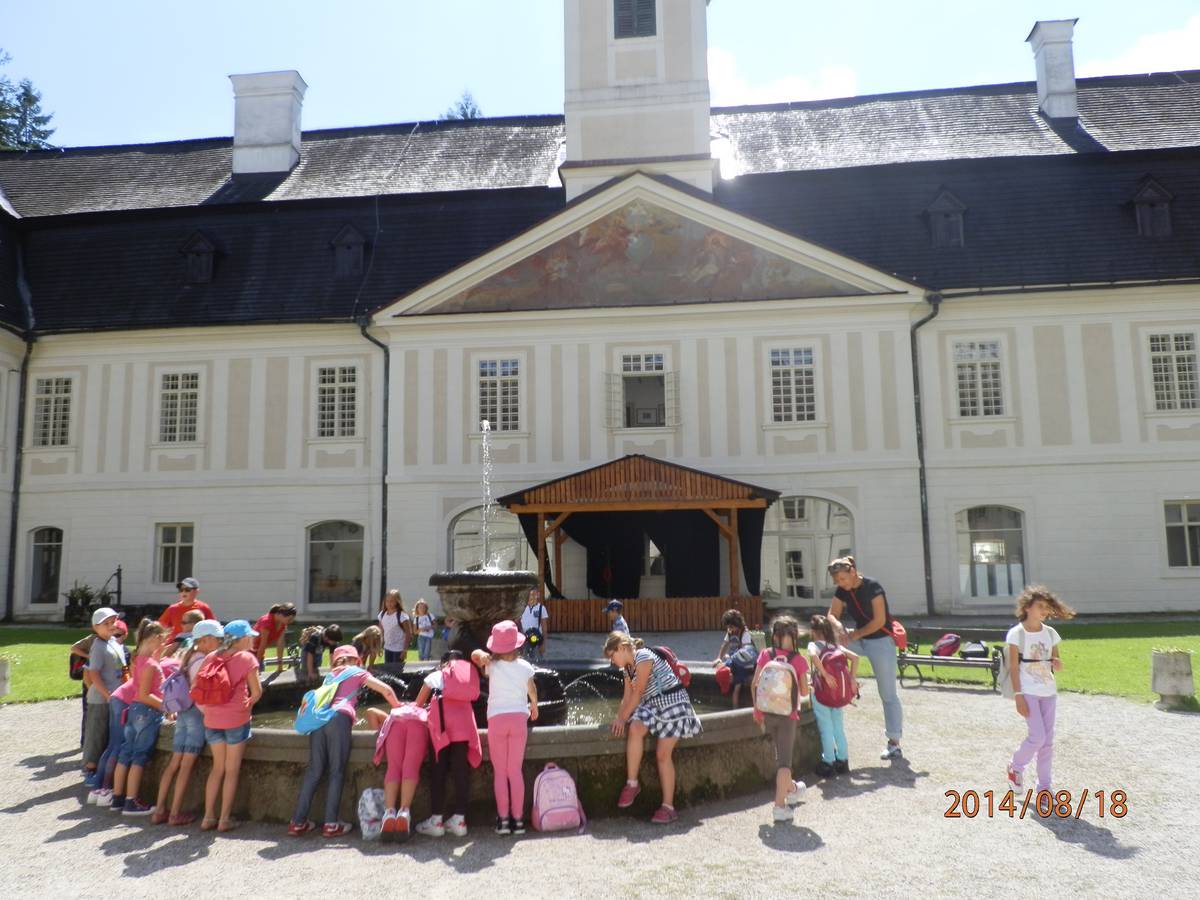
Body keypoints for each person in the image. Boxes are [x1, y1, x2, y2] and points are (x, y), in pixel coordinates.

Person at [289, 645, 401, 838]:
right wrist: (399, 708)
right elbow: (386, 689)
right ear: (357, 660)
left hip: (319, 721)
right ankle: (331, 824)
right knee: (336, 772)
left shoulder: (330, 675)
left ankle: (298, 822)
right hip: (339, 720)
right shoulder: (357, 671)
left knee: (314, 771)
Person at [604, 632, 702, 824]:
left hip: (672, 703)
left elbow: (639, 691)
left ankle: (668, 807)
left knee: (662, 755)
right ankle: (632, 784)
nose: (612, 662)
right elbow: (627, 697)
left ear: (622, 648)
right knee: (635, 728)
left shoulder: (643, 656)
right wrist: (619, 718)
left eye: (612, 656)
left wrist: (622, 719)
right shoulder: (627, 669)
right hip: (652, 705)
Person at [826, 556, 904, 760]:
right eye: (837, 581)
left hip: (880, 641)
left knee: (887, 694)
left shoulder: (872, 586)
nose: (841, 584)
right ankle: (841, 683)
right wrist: (838, 626)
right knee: (828, 641)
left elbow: (879, 621)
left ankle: (894, 742)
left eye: (843, 579)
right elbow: (831, 615)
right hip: (859, 638)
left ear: (852, 572)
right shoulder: (843, 589)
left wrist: (853, 635)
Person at [1005, 585, 1075, 810]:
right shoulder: (1017, 634)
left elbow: (1057, 663)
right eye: (1040, 606)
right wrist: (1018, 696)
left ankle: (1044, 789)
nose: (1044, 611)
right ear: (1027, 607)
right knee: (1037, 737)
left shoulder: (1051, 633)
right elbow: (1013, 667)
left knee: (1047, 742)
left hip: (1048, 691)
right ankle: (1016, 767)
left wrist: (1057, 663)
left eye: (1047, 607)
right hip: (1027, 691)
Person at [152, 619, 223, 825]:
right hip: (196, 716)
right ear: (206, 640)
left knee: (174, 763)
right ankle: (175, 813)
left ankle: (159, 810)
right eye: (217, 639)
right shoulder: (203, 660)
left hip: (183, 713)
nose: (220, 643)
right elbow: (199, 693)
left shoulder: (188, 655)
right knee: (185, 766)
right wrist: (211, 716)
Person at [472, 621, 538, 835]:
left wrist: (481, 654)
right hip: (519, 719)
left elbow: (474, 656)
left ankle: (503, 820)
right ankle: (518, 821)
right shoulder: (525, 667)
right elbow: (532, 689)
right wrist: (534, 705)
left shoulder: (492, 665)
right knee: (515, 771)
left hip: (497, 719)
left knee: (500, 772)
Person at [196, 619, 262, 832]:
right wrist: (248, 704)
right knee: (231, 771)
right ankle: (224, 819)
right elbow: (256, 692)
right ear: (241, 639)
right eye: (249, 637)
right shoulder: (247, 658)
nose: (252, 640)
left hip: (212, 720)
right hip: (236, 721)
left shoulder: (211, 657)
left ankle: (208, 817)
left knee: (217, 768)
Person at [414, 651, 482, 837]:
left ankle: (436, 820)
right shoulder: (468, 678)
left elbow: (418, 704)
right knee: (461, 772)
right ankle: (460, 820)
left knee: (438, 771)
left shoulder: (437, 675)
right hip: (464, 728)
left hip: (441, 729)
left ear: (443, 663)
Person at [750, 616, 809, 823]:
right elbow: (804, 692)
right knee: (784, 763)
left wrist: (757, 711)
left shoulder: (766, 654)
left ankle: (792, 789)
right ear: (795, 636)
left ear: (774, 636)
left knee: (780, 756)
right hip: (787, 717)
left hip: (767, 713)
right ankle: (779, 807)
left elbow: (755, 684)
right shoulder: (798, 660)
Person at [108, 619, 170, 815]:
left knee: (126, 752)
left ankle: (118, 797)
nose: (164, 643)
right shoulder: (150, 664)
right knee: (139, 756)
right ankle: (131, 801)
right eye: (162, 639)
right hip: (147, 712)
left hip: (133, 710)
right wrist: (166, 706)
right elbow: (144, 694)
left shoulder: (138, 659)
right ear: (155, 638)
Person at [808, 614, 859, 778]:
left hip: (822, 693)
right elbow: (855, 658)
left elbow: (812, 655)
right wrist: (852, 678)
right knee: (838, 728)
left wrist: (824, 674)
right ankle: (843, 761)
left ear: (814, 631)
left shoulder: (814, 644)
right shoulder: (836, 646)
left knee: (826, 729)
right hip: (838, 694)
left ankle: (828, 762)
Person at [371, 701, 430, 841]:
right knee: (411, 767)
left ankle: (389, 813)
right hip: (418, 724)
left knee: (393, 767)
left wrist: (376, 730)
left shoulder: (397, 709)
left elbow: (370, 711)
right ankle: (404, 812)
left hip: (395, 725)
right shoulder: (423, 708)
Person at [81, 608, 124, 784]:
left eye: (113, 622)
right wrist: (107, 694)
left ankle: (102, 769)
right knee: (96, 733)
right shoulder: (98, 646)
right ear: (95, 627)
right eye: (106, 623)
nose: (111, 626)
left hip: (116, 696)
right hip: (101, 698)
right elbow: (94, 673)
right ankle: (90, 769)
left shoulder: (114, 642)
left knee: (109, 734)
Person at [712, 608, 756, 708]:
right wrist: (719, 658)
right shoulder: (730, 632)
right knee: (721, 670)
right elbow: (724, 645)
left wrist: (730, 660)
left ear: (737, 623)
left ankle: (735, 710)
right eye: (728, 627)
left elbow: (744, 652)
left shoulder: (745, 633)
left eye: (731, 626)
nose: (729, 629)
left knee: (737, 687)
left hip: (743, 664)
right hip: (734, 660)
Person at [253, 603, 297, 673]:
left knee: (261, 677)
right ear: (281, 614)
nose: (291, 622)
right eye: (289, 619)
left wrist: (280, 667)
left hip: (259, 655)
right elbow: (262, 645)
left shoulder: (282, 624)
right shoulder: (266, 621)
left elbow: (280, 645)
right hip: (249, 655)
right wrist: (257, 666)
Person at [378, 589, 412, 666]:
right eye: (387, 601)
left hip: (399, 649)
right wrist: (379, 646)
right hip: (387, 648)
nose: (389, 603)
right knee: (388, 669)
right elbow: (380, 631)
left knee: (397, 670)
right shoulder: (382, 614)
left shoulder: (402, 616)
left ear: (397, 601)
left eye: (392, 601)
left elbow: (408, 634)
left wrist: (405, 650)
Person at [520, 589, 549, 661]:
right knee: (523, 660)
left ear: (538, 595)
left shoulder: (541, 608)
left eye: (534, 594)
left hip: (536, 639)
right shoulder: (521, 608)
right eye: (530, 595)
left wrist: (543, 644)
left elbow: (544, 627)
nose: (531, 597)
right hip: (523, 639)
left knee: (537, 661)